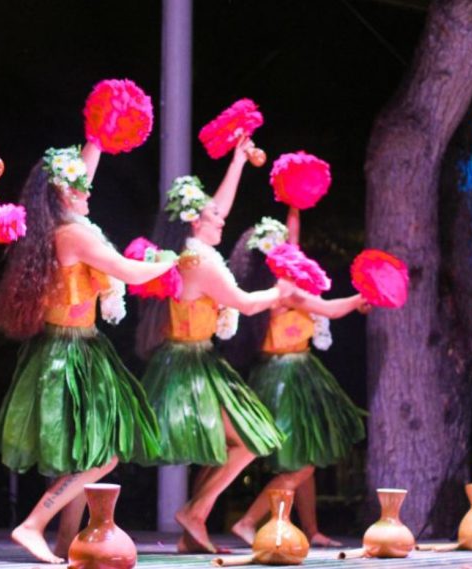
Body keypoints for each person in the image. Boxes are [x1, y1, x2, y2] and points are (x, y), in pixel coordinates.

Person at [0, 142, 176, 563]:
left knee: (77, 453)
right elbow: (128, 272)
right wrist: (169, 262)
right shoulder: (73, 234)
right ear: (62, 194)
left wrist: (96, 139)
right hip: (70, 352)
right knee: (102, 455)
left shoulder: (56, 230)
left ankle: (63, 542)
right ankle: (33, 524)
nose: (90, 194)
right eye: (81, 189)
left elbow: (80, 177)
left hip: (67, 345)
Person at [135, 138, 286, 553]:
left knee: (233, 443)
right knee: (250, 441)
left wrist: (237, 161)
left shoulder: (193, 249)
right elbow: (245, 303)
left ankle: (192, 526)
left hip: (195, 358)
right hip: (189, 366)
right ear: (195, 223)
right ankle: (196, 512)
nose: (223, 220)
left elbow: (219, 206)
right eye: (213, 217)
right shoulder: (200, 262)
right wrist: (282, 291)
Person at [223, 212, 369, 547]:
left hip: (292, 372)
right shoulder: (284, 291)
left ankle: (312, 529)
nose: (292, 252)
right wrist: (360, 299)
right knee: (304, 462)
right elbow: (329, 309)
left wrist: (295, 206)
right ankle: (248, 521)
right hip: (285, 381)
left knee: (307, 458)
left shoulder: (267, 285)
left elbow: (295, 242)